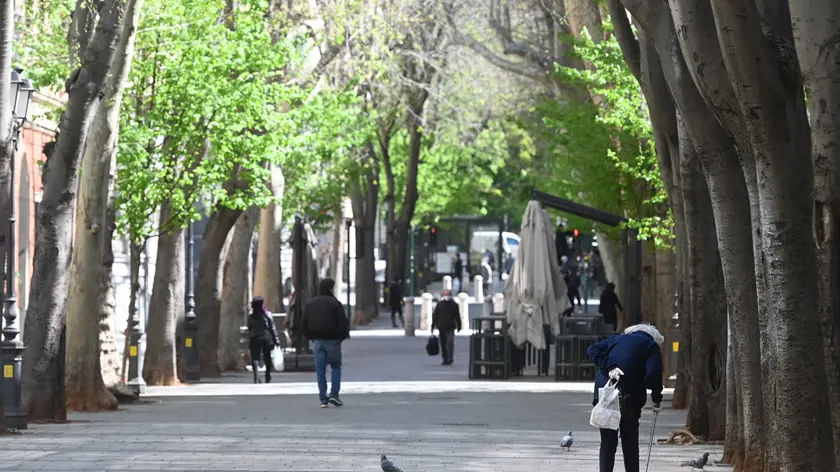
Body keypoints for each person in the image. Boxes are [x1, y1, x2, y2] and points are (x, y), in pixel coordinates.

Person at [587, 323, 664, 472]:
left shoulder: (616, 339)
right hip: (629, 397)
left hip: (605, 393)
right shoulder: (651, 345)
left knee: (608, 441)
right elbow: (653, 374)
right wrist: (656, 397)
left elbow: (592, 349)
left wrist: (610, 366)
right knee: (630, 442)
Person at [302, 278, 350, 408]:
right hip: (333, 340)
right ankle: (334, 394)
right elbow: (343, 323)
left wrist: (310, 336)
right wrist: (341, 337)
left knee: (320, 369)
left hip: (317, 340)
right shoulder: (335, 304)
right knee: (335, 367)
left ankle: (323, 399)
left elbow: (304, 323)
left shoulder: (310, 304)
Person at [247, 296, 280, 384]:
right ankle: (267, 375)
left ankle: (256, 376)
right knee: (267, 357)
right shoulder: (267, 315)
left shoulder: (250, 317)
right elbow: (272, 328)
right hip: (266, 338)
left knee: (255, 358)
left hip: (254, 338)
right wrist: (276, 340)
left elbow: (249, 328)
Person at [431, 288, 461, 365]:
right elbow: (435, 315)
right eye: (445, 295)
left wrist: (459, 325)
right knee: (443, 344)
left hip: (451, 327)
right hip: (441, 327)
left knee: (450, 342)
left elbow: (457, 316)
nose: (447, 296)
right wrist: (433, 326)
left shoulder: (454, 305)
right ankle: (445, 359)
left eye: (448, 295)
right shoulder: (439, 304)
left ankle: (450, 358)